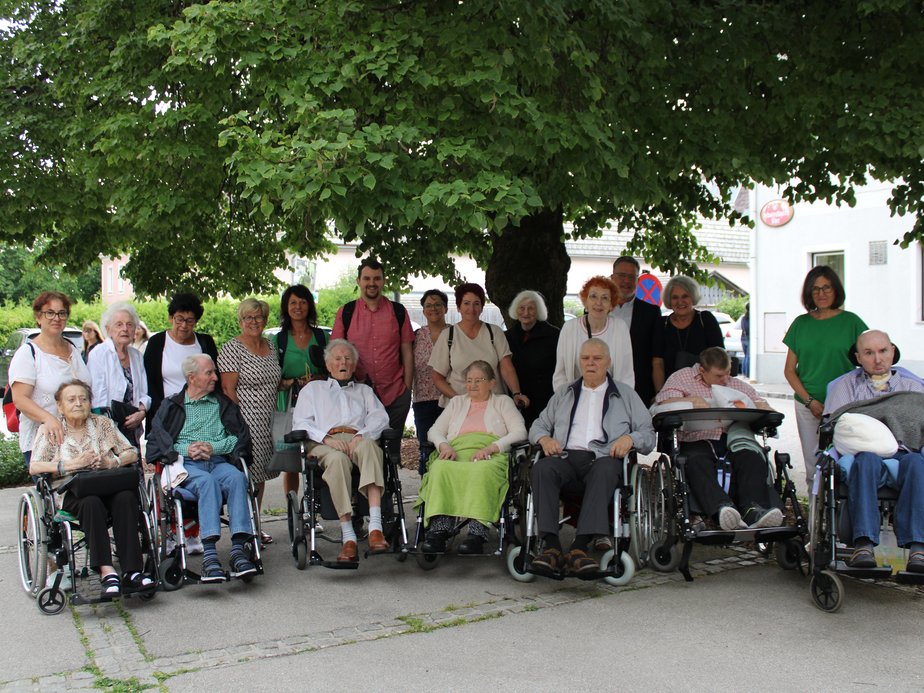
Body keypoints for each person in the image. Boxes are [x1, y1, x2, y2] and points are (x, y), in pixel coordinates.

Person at [528, 339, 655, 577]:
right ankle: (551, 546)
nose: (591, 363)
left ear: (608, 362)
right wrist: (544, 439)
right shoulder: (564, 393)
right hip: (565, 457)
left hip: (603, 458)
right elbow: (538, 426)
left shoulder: (625, 394)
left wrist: (631, 439)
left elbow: (648, 433)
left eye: (597, 358)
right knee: (542, 468)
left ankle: (579, 547)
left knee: (605, 469)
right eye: (586, 358)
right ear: (579, 362)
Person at [30, 380, 154, 599]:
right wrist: (72, 464)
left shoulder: (103, 424)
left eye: (83, 398)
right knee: (91, 502)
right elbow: (36, 465)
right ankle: (107, 572)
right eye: (71, 399)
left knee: (126, 497)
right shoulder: (51, 429)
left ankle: (132, 572)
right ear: (60, 406)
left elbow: (131, 452)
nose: (78, 403)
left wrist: (111, 462)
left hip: (108, 484)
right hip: (71, 492)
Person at [147, 354, 257, 582]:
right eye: (209, 373)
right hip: (186, 466)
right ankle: (209, 555)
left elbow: (239, 438)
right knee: (207, 483)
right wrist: (187, 450)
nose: (216, 378)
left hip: (217, 461)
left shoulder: (223, 404)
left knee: (237, 478)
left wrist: (213, 447)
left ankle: (238, 550)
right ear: (192, 378)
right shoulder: (172, 406)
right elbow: (158, 440)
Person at [823, 329, 924, 572]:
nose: (877, 359)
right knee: (866, 461)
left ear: (892, 352)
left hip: (904, 453)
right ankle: (863, 544)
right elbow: (833, 428)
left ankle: (918, 549)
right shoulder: (844, 387)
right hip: (862, 454)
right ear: (858, 357)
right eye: (869, 353)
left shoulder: (913, 387)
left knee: (916, 463)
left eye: (882, 351)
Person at [655, 347, 783, 530]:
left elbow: (761, 404)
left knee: (752, 458)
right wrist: (689, 401)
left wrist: (763, 406)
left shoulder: (735, 384)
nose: (725, 380)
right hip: (696, 438)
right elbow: (661, 402)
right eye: (718, 376)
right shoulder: (683, 378)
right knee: (696, 461)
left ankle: (753, 510)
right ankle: (722, 509)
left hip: (731, 438)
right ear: (702, 371)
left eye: (728, 373)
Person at [291, 339, 392, 562]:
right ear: (328, 365)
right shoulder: (313, 390)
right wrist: (326, 438)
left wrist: (362, 435)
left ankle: (375, 528)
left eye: (348, 359)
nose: (343, 362)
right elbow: (300, 423)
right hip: (324, 443)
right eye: (337, 359)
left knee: (371, 449)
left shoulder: (364, 391)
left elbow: (380, 418)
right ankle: (348, 537)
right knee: (337, 460)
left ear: (354, 365)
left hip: (358, 436)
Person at [417, 361, 527, 555]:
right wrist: (444, 445)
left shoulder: (503, 402)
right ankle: (439, 531)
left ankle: (476, 533)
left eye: (478, 380)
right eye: (469, 381)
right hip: (457, 450)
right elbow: (434, 430)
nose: (473, 385)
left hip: (491, 453)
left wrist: (493, 447)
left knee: (481, 470)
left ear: (492, 383)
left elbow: (520, 432)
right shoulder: (457, 402)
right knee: (441, 468)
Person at [143, 293, 218, 555]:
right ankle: (174, 530)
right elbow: (151, 385)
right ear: (170, 318)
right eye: (179, 319)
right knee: (172, 476)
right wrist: (154, 426)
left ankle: (195, 531)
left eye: (190, 320)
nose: (184, 326)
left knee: (201, 470)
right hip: (169, 417)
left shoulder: (205, 342)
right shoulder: (157, 343)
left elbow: (212, 380)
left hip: (200, 416)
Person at [783, 266, 867, 486]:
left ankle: (840, 517)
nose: (821, 293)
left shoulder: (852, 322)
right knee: (813, 467)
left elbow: (867, 360)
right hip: (807, 405)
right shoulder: (801, 324)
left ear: (835, 289)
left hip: (844, 405)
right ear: (809, 293)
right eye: (816, 289)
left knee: (844, 463)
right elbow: (790, 370)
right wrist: (810, 402)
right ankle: (815, 518)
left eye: (826, 287)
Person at [218, 298, 281, 544]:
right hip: (245, 420)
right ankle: (242, 529)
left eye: (258, 317)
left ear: (265, 320)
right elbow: (227, 390)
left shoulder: (271, 346)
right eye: (248, 317)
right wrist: (237, 427)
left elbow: (275, 378)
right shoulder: (232, 348)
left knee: (260, 477)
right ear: (240, 320)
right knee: (244, 476)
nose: (254, 322)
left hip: (268, 419)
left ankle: (255, 524)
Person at [9, 292, 91, 468]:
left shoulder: (73, 349)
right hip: (45, 440)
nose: (57, 318)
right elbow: (20, 399)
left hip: (79, 437)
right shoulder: (28, 354)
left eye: (62, 313)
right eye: (50, 313)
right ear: (38, 317)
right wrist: (49, 419)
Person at [332, 258, 414, 431]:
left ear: (383, 281)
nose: (372, 283)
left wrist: (407, 389)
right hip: (357, 396)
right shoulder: (346, 312)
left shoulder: (398, 311)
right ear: (358, 281)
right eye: (367, 278)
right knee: (362, 450)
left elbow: (407, 352)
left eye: (377, 278)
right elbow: (335, 355)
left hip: (395, 394)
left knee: (392, 451)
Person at [429, 283, 528, 409]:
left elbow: (507, 367)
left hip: (494, 407)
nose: (471, 308)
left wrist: (516, 393)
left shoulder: (495, 332)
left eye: (476, 303)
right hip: (459, 409)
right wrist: (459, 400)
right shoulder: (448, 336)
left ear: (481, 307)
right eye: (466, 303)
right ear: (458, 307)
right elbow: (437, 377)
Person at [271, 284, 329, 497]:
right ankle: (293, 511)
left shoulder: (323, 338)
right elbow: (272, 378)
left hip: (320, 403)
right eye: (293, 302)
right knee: (292, 461)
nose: (298, 307)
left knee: (319, 454)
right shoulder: (279, 340)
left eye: (303, 302)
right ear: (286, 307)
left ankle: (316, 507)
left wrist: (319, 378)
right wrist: (291, 382)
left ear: (310, 306)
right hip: (290, 403)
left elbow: (335, 371)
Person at [552, 276, 634, 391]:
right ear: (585, 301)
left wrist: (620, 402)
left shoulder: (620, 328)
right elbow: (561, 374)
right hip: (574, 398)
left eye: (605, 298)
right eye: (593, 296)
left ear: (611, 304)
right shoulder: (569, 328)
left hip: (611, 399)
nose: (598, 303)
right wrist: (566, 400)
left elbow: (627, 375)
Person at [87, 302, 150, 447]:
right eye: (119, 324)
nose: (125, 329)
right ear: (108, 329)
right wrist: (107, 431)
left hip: (132, 428)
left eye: (129, 324)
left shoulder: (136, 356)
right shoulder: (99, 354)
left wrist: (141, 412)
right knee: (114, 469)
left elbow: (144, 393)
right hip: (105, 430)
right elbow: (97, 398)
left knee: (134, 469)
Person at [610, 257, 665, 404]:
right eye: (622, 275)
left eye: (631, 277)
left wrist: (659, 394)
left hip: (639, 391)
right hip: (603, 387)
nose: (626, 281)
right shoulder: (598, 310)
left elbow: (657, 359)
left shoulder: (651, 313)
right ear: (612, 277)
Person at [506, 290, 559, 428]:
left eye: (531, 308)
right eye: (522, 308)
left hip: (544, 399)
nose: (526, 312)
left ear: (539, 311)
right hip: (517, 397)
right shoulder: (507, 336)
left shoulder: (554, 335)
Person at [661, 275, 724, 381]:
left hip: (704, 388)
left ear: (693, 297)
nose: (680, 301)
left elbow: (720, 358)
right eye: (675, 297)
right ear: (669, 300)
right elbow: (657, 362)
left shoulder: (706, 320)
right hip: (671, 389)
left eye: (685, 296)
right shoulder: (662, 324)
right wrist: (660, 393)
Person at [412, 289, 449, 465]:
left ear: (446, 308)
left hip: (451, 400)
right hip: (423, 401)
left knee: (450, 447)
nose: (433, 309)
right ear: (423, 310)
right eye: (428, 305)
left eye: (438, 305)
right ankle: (426, 489)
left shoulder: (456, 334)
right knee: (427, 449)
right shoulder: (416, 336)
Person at [740, 303, 750, 377]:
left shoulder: (744, 318)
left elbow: (743, 327)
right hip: (748, 338)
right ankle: (747, 373)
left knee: (745, 355)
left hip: (743, 337)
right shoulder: (751, 317)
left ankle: (743, 372)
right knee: (748, 356)